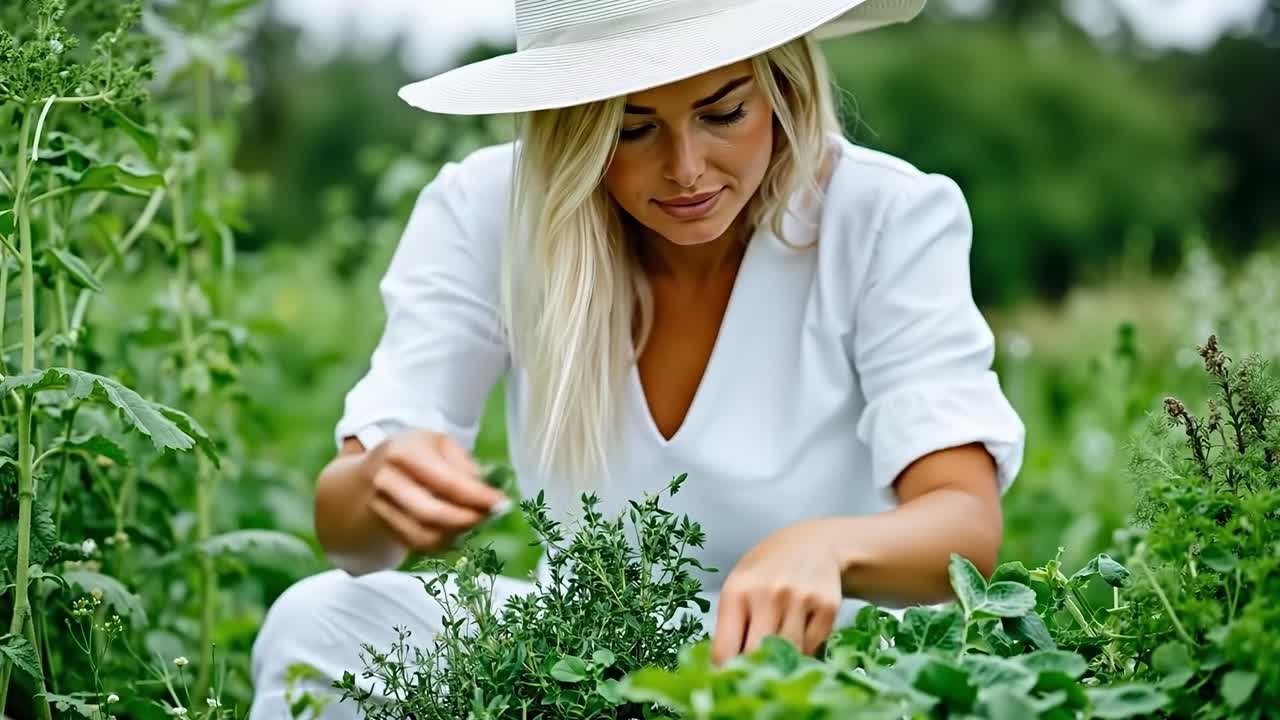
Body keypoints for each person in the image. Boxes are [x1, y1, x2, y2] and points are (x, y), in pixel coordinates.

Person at [249, 0, 1027, 716]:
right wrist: (382, 485)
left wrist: (830, 547)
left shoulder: (883, 216)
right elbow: (349, 534)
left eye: (724, 112)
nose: (686, 166)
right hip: (577, 653)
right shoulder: (488, 211)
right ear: (569, 125)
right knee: (316, 624)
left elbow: (963, 524)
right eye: (632, 128)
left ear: (781, 88)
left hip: (815, 669)